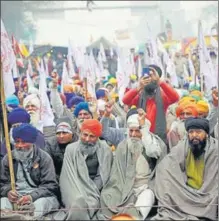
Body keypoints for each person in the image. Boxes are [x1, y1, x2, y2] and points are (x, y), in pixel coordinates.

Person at [96, 108, 166, 220]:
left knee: (147, 196)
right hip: (124, 186)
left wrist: (144, 130)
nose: (133, 135)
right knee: (107, 196)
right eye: (131, 131)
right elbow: (117, 174)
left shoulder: (153, 142)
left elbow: (153, 152)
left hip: (145, 186)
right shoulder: (123, 146)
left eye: (137, 131)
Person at [151, 118, 218, 220]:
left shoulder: (215, 149)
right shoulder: (183, 146)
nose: (194, 135)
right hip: (186, 192)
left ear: (207, 134)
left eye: (198, 132)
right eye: (191, 132)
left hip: (209, 194)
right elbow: (165, 166)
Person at [0, 123, 59, 218]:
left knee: (39, 206)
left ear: (32, 142)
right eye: (17, 142)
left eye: (23, 142)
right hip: (15, 199)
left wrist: (31, 197)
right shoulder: (8, 159)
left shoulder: (44, 158)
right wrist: (8, 192)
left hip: (38, 197)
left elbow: (51, 186)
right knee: (2, 204)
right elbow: (2, 183)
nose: (19, 145)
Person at [60, 119, 113, 220]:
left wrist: (90, 191)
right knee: (77, 202)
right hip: (74, 187)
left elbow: (103, 176)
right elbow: (68, 176)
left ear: (97, 137)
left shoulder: (105, 150)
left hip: (95, 190)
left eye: (92, 136)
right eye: (84, 135)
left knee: (91, 203)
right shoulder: (70, 149)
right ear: (80, 133)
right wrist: (81, 193)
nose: (87, 139)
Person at [122, 65, 179, 143]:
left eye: (152, 76)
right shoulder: (139, 96)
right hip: (141, 137)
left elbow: (175, 98)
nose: (149, 79)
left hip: (159, 139)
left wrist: (160, 82)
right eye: (147, 76)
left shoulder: (163, 96)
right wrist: (139, 87)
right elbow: (125, 100)